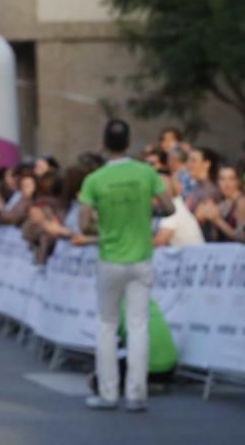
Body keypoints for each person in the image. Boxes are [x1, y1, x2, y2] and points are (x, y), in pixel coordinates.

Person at [79, 119, 174, 412]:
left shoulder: (94, 180)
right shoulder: (146, 173)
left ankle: (108, 394)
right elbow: (169, 207)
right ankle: (137, 394)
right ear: (129, 141)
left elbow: (84, 225)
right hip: (141, 257)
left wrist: (103, 224)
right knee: (138, 326)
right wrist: (146, 211)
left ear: (104, 144)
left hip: (110, 258)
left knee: (107, 326)